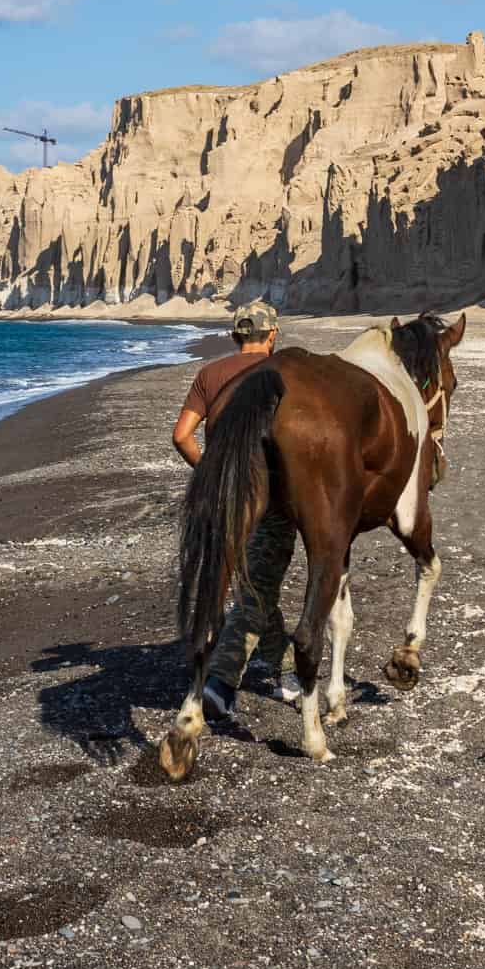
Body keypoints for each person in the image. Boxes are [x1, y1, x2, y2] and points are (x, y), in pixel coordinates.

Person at [170, 299, 302, 719]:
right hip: (270, 496)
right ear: (273, 335)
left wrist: (212, 472)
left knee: (256, 579)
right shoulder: (284, 374)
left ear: (234, 336)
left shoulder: (210, 374)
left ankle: (282, 668)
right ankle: (223, 679)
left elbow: (182, 436)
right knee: (260, 581)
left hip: (224, 496)